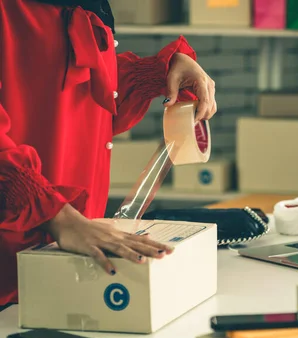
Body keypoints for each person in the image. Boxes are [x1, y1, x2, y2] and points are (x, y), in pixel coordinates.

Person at [0, 0, 218, 308]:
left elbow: (80, 100)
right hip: (13, 263)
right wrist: (57, 216)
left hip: (71, 256)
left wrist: (160, 72)